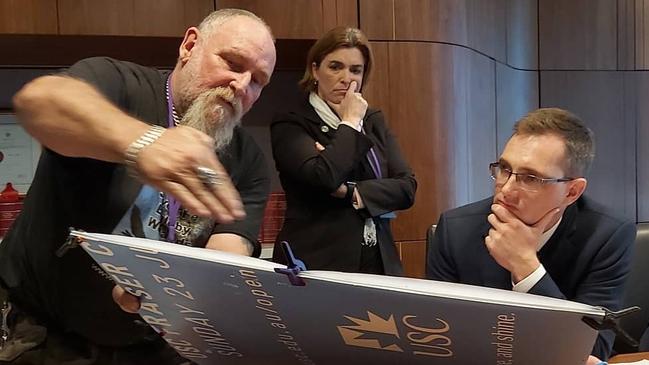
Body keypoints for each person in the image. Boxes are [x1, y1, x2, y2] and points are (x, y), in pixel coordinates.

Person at [0, 8, 276, 364]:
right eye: (232, 63)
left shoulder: (248, 160)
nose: (241, 85)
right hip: (41, 331)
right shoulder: (120, 84)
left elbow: (224, 253)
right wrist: (143, 143)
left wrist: (167, 289)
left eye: (258, 81)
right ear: (190, 46)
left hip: (146, 344)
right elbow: (40, 102)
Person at [426, 108, 635, 364]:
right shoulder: (455, 230)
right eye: (504, 169)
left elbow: (594, 350)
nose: (506, 189)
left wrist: (527, 267)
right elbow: (435, 338)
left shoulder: (607, 236)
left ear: (572, 192)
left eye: (530, 178)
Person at [270, 27, 416, 275]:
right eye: (335, 67)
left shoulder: (372, 120)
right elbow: (325, 176)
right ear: (315, 70)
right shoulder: (291, 122)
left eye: (355, 70)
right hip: (318, 260)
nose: (346, 78)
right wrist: (349, 122)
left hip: (378, 260)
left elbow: (406, 188)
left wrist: (350, 192)